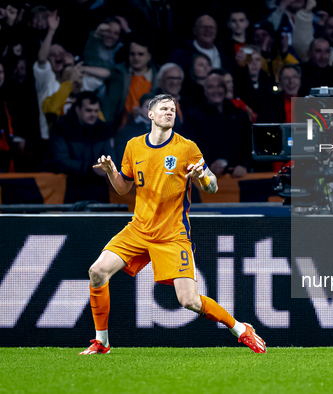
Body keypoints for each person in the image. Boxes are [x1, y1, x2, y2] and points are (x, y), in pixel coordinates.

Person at [79, 93, 266, 355]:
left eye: (173, 109)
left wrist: (202, 176)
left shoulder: (186, 147)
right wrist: (111, 171)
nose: (170, 112)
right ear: (151, 114)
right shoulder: (134, 146)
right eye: (164, 109)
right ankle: (102, 342)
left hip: (172, 234)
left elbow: (212, 186)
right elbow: (123, 189)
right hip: (139, 229)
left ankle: (240, 328)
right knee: (97, 271)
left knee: (188, 300)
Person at [43, 91, 115, 203]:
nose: (93, 114)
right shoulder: (60, 128)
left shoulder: (103, 129)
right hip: (67, 190)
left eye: (96, 111)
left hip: (98, 190)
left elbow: (110, 156)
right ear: (77, 109)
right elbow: (61, 161)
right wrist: (90, 169)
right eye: (88, 110)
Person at [181, 74, 252, 178]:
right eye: (211, 87)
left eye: (219, 86)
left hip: (237, 178)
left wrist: (245, 166)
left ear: (225, 89)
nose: (216, 90)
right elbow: (186, 151)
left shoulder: (240, 115)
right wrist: (207, 166)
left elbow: (248, 146)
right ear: (205, 90)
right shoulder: (193, 117)